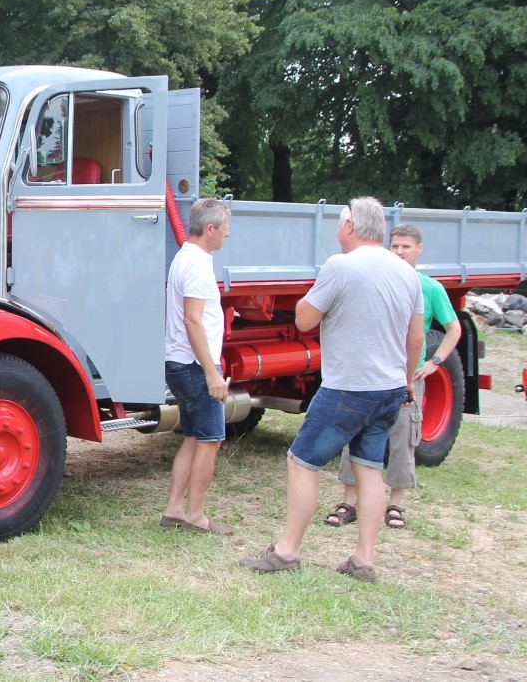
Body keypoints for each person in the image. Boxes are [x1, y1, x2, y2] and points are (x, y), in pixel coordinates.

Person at [241, 197, 422, 582]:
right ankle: (363, 560)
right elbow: (416, 338)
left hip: (348, 388)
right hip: (389, 389)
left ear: (351, 226)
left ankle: (287, 552)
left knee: (302, 461)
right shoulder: (407, 272)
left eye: (340, 224)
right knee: (369, 470)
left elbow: (305, 320)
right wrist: (406, 381)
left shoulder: (340, 266)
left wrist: (313, 296)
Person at [326, 224, 461, 530]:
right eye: (396, 246)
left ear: (420, 249)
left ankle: (396, 504)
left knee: (404, 439)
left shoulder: (429, 287)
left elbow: (454, 328)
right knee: (354, 435)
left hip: (408, 378)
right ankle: (350, 501)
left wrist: (435, 362)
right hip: (371, 375)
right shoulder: (377, 281)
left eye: (407, 247)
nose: (400, 252)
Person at [159, 198, 233, 535]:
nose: (227, 235)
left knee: (192, 437)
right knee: (210, 440)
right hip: (194, 366)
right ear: (210, 229)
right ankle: (196, 516)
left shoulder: (182, 258)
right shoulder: (199, 266)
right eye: (225, 228)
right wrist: (212, 372)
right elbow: (193, 320)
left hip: (178, 363)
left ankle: (174, 509)